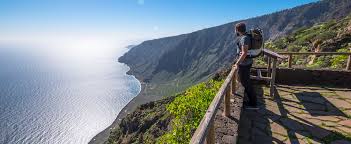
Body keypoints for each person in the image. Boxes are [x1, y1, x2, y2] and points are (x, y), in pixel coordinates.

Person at [232, 22, 258, 110]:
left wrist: (237, 63)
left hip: (244, 64)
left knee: (246, 83)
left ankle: (253, 103)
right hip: (247, 62)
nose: (235, 31)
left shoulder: (244, 38)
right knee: (245, 82)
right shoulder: (247, 36)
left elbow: (244, 53)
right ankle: (252, 101)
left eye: (235, 29)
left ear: (238, 30)